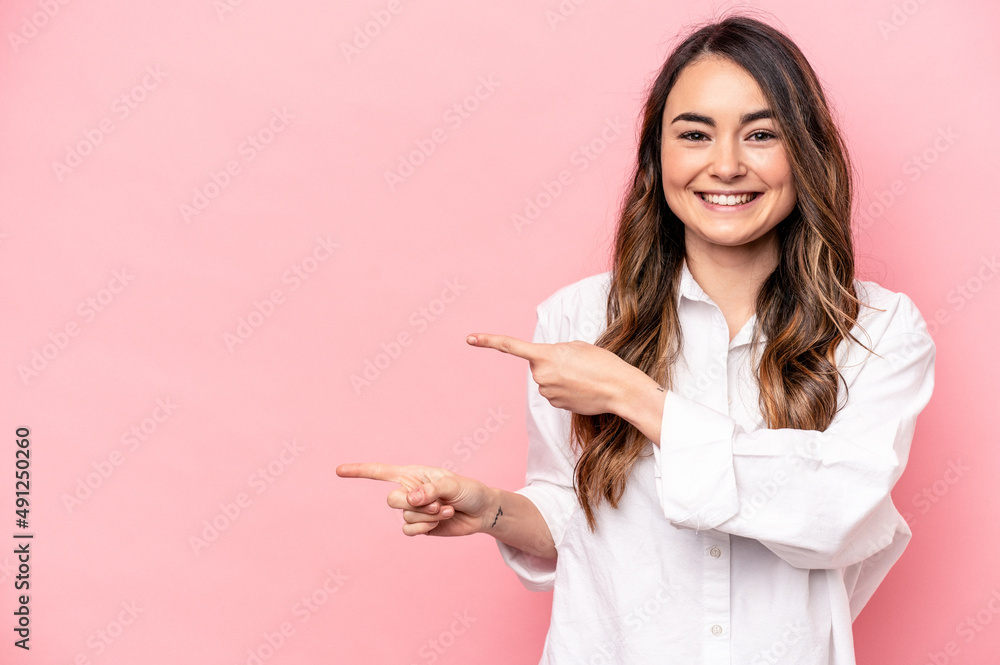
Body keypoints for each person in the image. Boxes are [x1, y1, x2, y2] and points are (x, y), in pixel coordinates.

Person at [338, 13, 935, 665]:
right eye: (695, 134)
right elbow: (576, 517)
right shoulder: (577, 320)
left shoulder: (878, 330)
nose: (727, 165)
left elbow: (837, 512)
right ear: (657, 153)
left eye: (761, 133)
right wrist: (492, 510)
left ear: (805, 149)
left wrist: (637, 397)